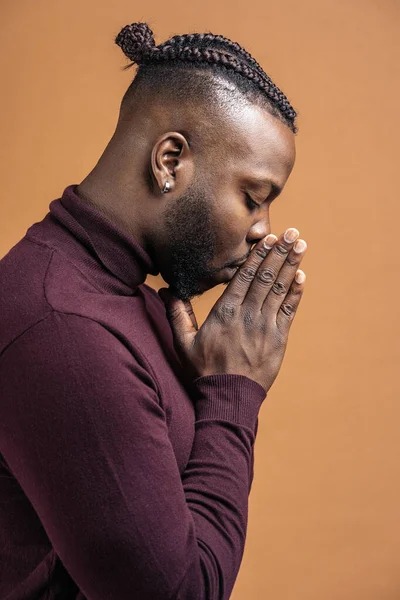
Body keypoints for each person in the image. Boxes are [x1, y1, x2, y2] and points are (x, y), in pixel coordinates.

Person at [0, 22, 307, 600]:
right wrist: (233, 390)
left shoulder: (123, 300)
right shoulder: (63, 328)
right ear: (170, 160)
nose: (262, 230)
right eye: (253, 197)